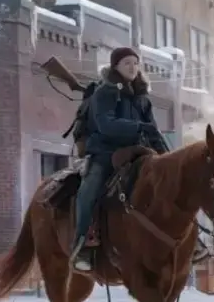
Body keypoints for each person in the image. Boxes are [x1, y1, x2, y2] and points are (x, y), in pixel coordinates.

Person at [70, 47, 170, 271]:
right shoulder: (105, 92)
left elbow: (153, 132)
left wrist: (166, 158)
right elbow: (106, 125)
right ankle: (82, 245)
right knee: (89, 190)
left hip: (138, 154)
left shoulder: (142, 97)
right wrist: (139, 128)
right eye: (127, 63)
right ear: (116, 66)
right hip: (105, 153)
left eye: (135, 63)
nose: (132, 67)